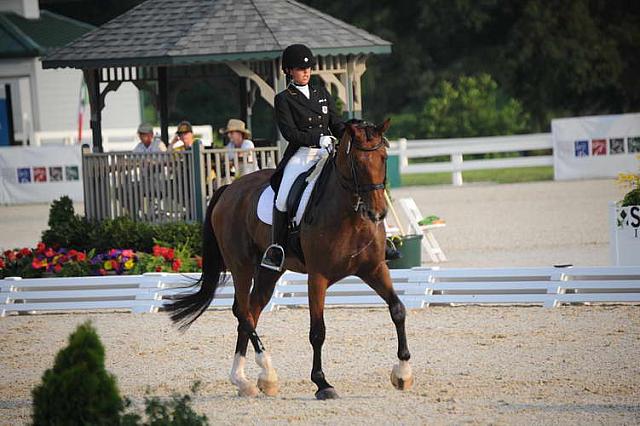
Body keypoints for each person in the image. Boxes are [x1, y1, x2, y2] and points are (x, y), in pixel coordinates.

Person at [260, 44, 345, 271]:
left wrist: (355, 132)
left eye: (308, 68)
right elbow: (290, 134)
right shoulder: (284, 99)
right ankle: (277, 249)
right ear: (289, 71)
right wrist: (319, 139)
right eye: (300, 69)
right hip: (302, 154)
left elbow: (336, 124)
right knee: (282, 198)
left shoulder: (322, 93)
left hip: (327, 152)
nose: (306, 72)